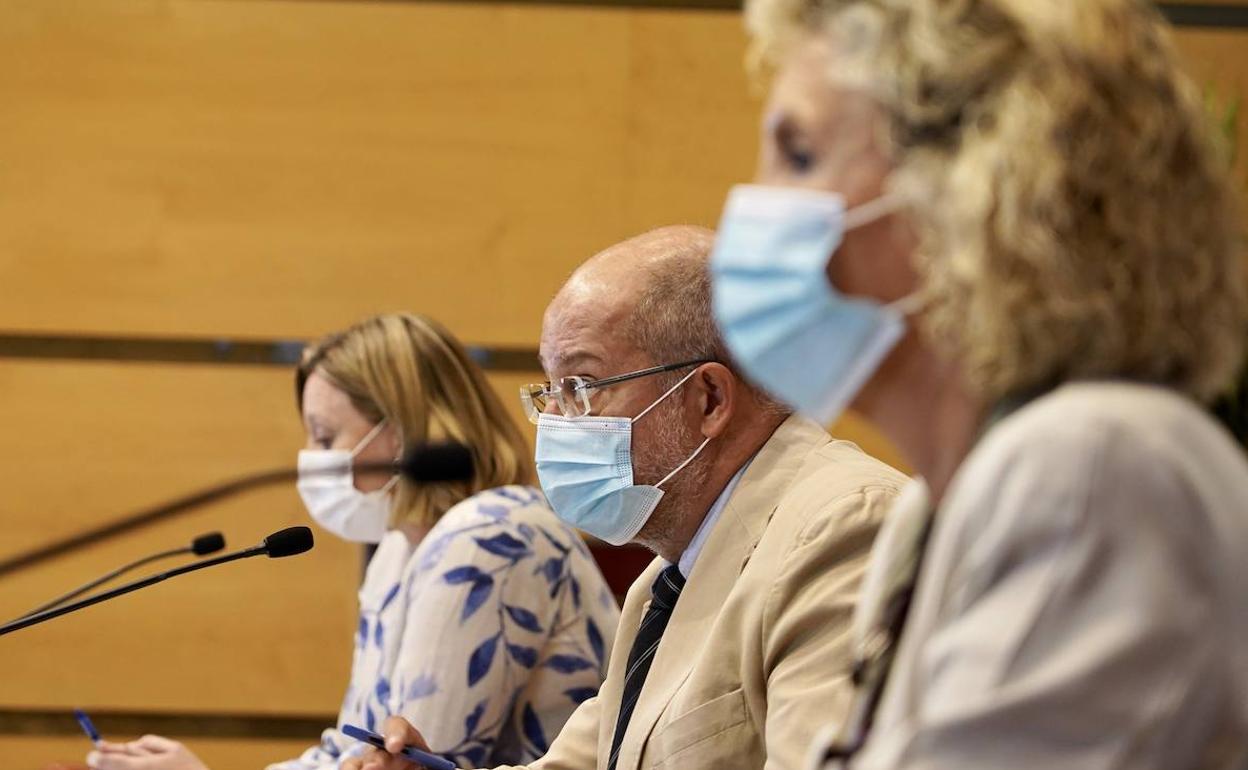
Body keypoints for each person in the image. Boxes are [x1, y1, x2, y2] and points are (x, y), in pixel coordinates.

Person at [706, 0, 1248, 767]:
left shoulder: (1089, 471)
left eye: (797, 155)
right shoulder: (934, 509)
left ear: (967, 190)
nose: (750, 205)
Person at [346, 226, 909, 770]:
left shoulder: (844, 527)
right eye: (550, 391)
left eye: (580, 387)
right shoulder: (664, 579)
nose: (555, 420)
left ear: (709, 399)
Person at [87, 313, 620, 770]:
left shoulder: (490, 535)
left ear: (406, 428)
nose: (312, 457)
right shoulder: (398, 552)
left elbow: (409, 763)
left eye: (325, 436)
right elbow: (348, 754)